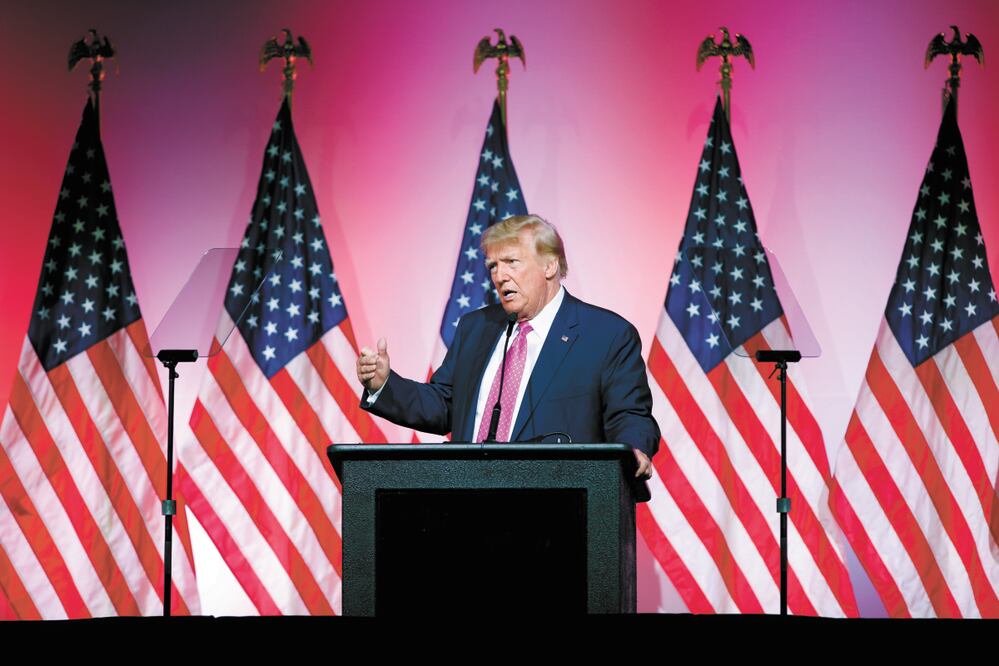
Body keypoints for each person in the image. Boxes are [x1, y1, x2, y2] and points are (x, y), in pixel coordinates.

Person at [356, 214, 658, 478]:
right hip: (467, 499)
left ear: (550, 265)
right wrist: (384, 384)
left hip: (557, 507)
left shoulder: (605, 335)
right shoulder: (476, 328)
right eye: (493, 266)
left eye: (511, 262)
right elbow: (444, 405)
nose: (499, 276)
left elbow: (629, 413)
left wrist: (633, 448)